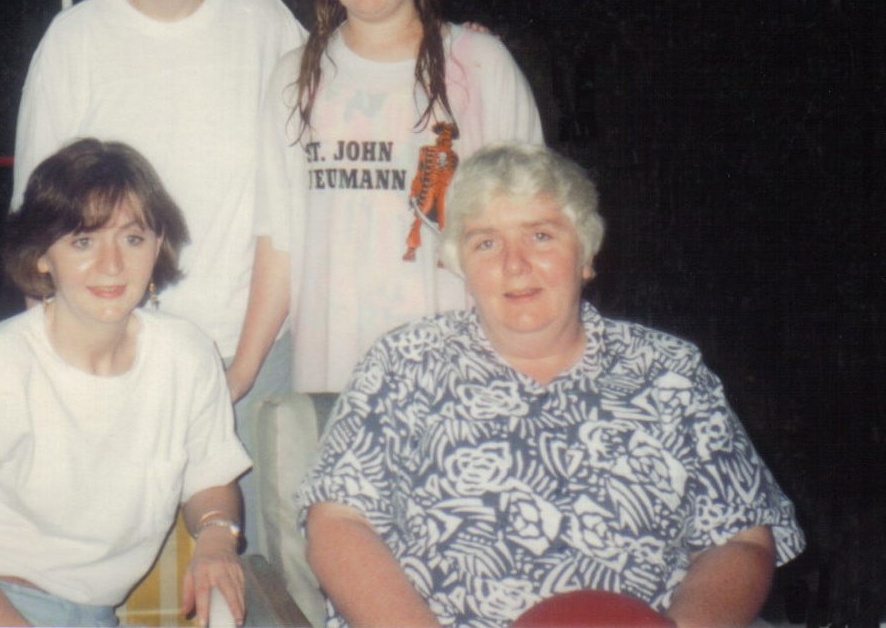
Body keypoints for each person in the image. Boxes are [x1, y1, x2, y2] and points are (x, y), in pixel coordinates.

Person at [298, 143, 805, 628]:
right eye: (486, 242)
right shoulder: (403, 364)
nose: (514, 264)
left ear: (585, 255)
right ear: (460, 267)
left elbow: (742, 538)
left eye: (540, 236)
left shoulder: (671, 372)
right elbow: (338, 523)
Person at [11, 0, 304, 549]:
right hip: (114, 356)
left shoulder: (265, 22)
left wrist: (241, 372)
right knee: (102, 561)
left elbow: (300, 201)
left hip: (252, 353)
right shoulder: (74, 41)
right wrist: (76, 376)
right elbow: (39, 235)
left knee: (257, 566)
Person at [0, 139, 250, 628]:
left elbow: (210, 478)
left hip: (88, 616)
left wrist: (218, 537)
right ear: (42, 256)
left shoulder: (187, 356)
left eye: (133, 239)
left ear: (158, 245)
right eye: (83, 241)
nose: (112, 265)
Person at [227, 0, 543, 399]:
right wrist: (241, 373)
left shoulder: (480, 66)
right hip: (333, 387)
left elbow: (535, 235)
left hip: (460, 384)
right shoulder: (294, 79)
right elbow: (280, 245)